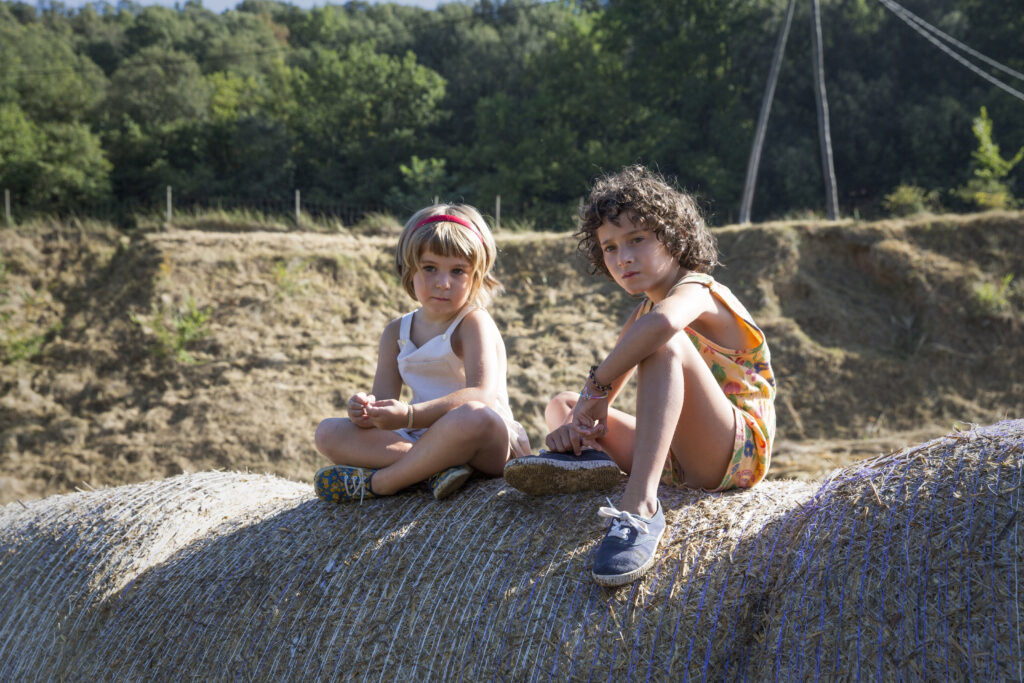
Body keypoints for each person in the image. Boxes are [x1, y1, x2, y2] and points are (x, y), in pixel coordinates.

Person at [503, 165, 776, 587]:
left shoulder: (699, 291)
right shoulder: (644, 315)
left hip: (734, 452)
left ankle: (642, 506)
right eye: (609, 248)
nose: (623, 257)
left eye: (637, 240)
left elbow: (662, 330)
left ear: (675, 238)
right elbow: (599, 401)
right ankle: (590, 462)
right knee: (559, 404)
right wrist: (577, 425)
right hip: (676, 457)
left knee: (662, 343)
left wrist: (594, 390)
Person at [314, 204, 531, 504]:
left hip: (484, 442)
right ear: (410, 269)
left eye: (458, 271)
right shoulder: (396, 332)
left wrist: (410, 414)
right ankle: (434, 470)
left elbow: (482, 396)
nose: (443, 283)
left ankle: (384, 482)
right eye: (430, 268)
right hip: (419, 437)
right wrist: (366, 411)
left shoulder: (472, 322)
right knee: (327, 433)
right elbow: (381, 408)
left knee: (473, 415)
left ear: (476, 277)